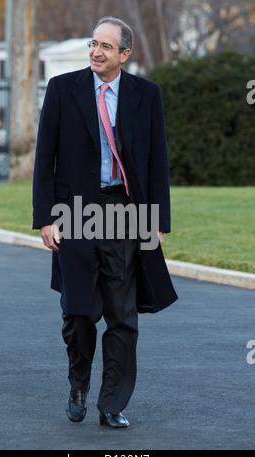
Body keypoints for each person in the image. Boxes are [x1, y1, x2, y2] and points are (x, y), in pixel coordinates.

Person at [33, 17, 178, 429]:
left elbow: (156, 163)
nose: (96, 52)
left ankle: (111, 401)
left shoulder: (146, 95)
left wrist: (157, 223)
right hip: (75, 213)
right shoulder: (63, 89)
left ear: (125, 55)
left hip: (125, 213)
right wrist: (45, 218)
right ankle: (78, 384)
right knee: (78, 311)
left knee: (122, 312)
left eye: (106, 47)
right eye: (93, 44)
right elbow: (45, 159)